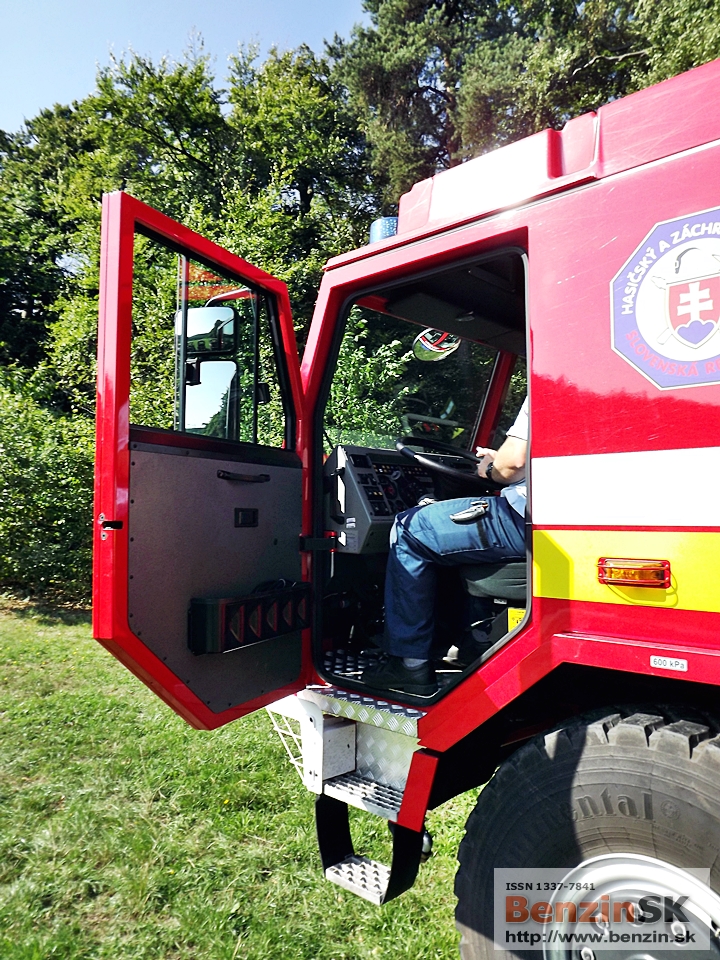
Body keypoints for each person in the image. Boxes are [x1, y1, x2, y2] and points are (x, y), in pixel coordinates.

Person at [361, 397, 529, 697]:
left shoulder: (545, 381)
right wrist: (499, 463)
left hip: (527, 518)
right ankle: (471, 641)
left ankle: (410, 664)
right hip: (562, 523)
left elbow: (514, 463)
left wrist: (492, 468)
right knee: (446, 534)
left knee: (410, 528)